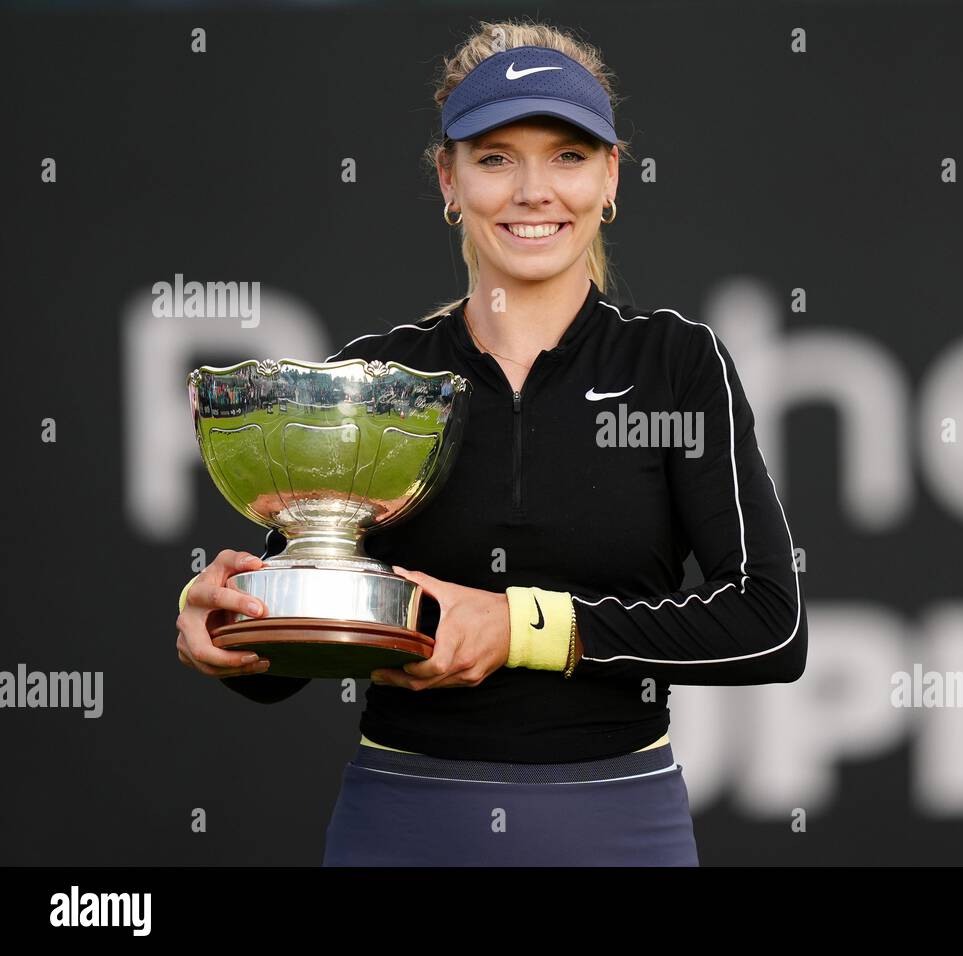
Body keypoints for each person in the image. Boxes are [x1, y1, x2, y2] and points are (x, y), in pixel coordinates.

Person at [174, 19, 807, 867]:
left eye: (569, 155)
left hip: (617, 828)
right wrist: (233, 630)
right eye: (497, 156)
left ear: (612, 175)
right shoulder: (378, 378)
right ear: (449, 178)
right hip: (399, 826)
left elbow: (769, 625)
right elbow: (298, 650)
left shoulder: (676, 365)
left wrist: (521, 627)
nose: (534, 190)